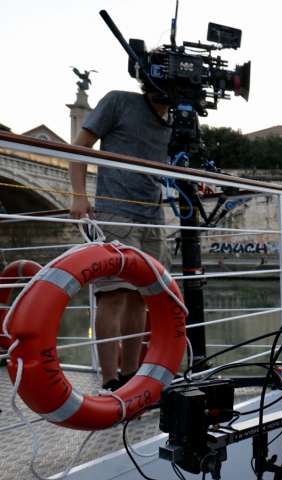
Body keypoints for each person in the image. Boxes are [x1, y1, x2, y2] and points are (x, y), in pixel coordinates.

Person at [69, 86, 172, 391]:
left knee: (140, 296)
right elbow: (80, 146)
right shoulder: (119, 101)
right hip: (116, 209)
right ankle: (109, 380)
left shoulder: (178, 119)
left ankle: (130, 375)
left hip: (152, 214)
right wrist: (79, 196)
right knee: (113, 294)